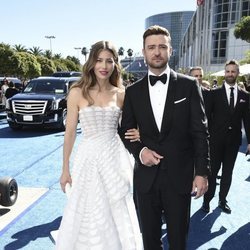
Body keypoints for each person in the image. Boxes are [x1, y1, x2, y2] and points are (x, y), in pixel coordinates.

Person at [120, 25, 210, 250]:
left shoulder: (189, 86)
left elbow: (200, 133)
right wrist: (141, 151)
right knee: (149, 241)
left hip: (180, 178)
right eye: (151, 47)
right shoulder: (133, 92)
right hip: (146, 180)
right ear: (144, 52)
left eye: (162, 46)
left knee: (179, 240)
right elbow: (126, 131)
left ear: (170, 50)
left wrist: (201, 173)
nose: (157, 52)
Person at [56, 40, 142, 250]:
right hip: (89, 158)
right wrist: (65, 169)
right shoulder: (77, 92)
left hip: (114, 157)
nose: (104, 66)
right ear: (91, 63)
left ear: (115, 64)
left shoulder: (122, 93)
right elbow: (69, 134)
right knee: (88, 206)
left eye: (109, 61)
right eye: (99, 60)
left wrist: (141, 132)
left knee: (116, 205)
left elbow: (130, 126)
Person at [201, 59, 250, 214]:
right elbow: (206, 118)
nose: (230, 74)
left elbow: (247, 120)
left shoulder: (245, 96)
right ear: (225, 73)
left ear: (237, 73)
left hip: (233, 142)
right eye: (228, 71)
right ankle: (207, 201)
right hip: (215, 141)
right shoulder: (213, 94)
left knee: (228, 172)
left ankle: (223, 200)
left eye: (233, 71)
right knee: (213, 172)